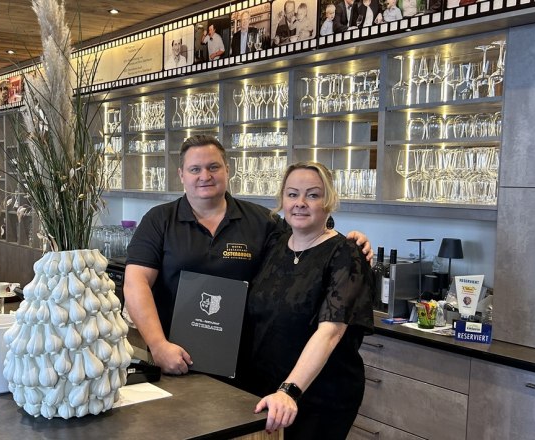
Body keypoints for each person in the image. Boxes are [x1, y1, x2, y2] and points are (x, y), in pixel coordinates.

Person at [124, 135, 371, 375]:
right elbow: (136, 283)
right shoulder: (159, 220)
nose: (205, 176)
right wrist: (158, 345)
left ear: (227, 170)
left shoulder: (263, 221)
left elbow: (306, 241)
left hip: (246, 365)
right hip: (174, 356)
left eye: (213, 167)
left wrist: (345, 243)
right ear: (181, 175)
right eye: (195, 169)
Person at [238, 161, 374, 439]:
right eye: (292, 194)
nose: (300, 203)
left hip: (319, 395)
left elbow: (330, 332)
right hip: (266, 388)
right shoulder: (276, 244)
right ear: (282, 200)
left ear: (329, 201)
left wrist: (289, 390)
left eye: (312, 195)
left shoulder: (346, 254)